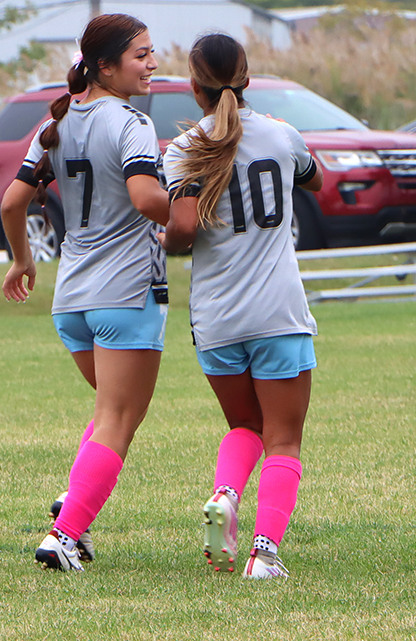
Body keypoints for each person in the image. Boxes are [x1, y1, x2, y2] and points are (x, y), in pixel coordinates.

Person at [1, 13, 170, 571]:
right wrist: (203, 218)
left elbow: (10, 204)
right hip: (124, 293)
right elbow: (147, 198)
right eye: (141, 55)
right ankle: (65, 535)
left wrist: (23, 260)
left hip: (71, 299)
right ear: (105, 66)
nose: (152, 63)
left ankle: (74, 508)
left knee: (107, 415)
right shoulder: (131, 123)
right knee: (119, 420)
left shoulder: (55, 122)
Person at [161, 33, 323, 579]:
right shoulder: (281, 136)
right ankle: (264, 553)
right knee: (284, 438)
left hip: (216, 318)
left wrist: (166, 241)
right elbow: (315, 178)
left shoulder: (183, 150)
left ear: (194, 87)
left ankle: (227, 493)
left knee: (244, 427)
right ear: (248, 80)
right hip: (278, 313)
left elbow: (181, 230)